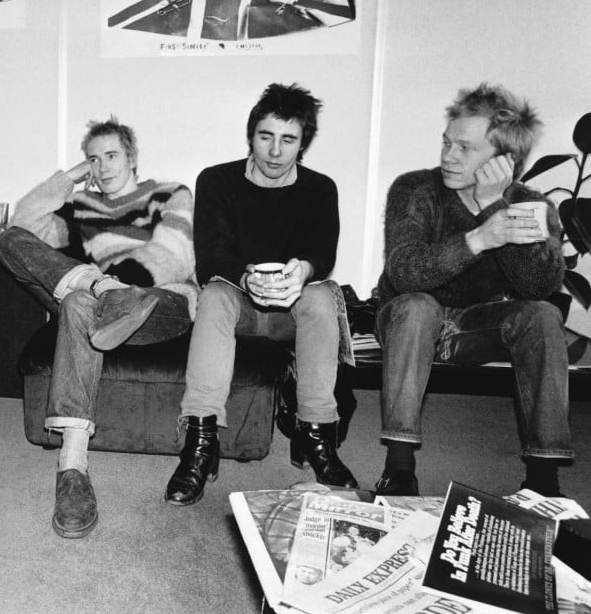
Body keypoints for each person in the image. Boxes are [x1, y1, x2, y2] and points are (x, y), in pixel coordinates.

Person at [0, 116, 197, 539]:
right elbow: (23, 225)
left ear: (132, 157)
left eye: (111, 156)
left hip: (161, 303)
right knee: (10, 244)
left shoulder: (171, 193)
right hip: (101, 305)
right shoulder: (83, 207)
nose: (102, 167)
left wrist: (124, 286)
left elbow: (174, 256)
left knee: (80, 301)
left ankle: (102, 291)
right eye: (93, 159)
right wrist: (68, 179)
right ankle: (73, 468)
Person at [374, 83, 571, 497]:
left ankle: (543, 482)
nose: (449, 155)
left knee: (543, 315)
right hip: (408, 317)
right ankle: (399, 469)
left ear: (504, 161)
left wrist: (493, 206)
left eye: (465, 148)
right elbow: (404, 273)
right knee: (418, 306)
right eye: (447, 142)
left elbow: (539, 286)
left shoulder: (530, 204)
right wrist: (479, 239)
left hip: (475, 327)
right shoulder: (415, 189)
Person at [166, 83, 358, 507]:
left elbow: (322, 253)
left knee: (322, 296)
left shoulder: (320, 188)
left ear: (303, 143)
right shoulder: (217, 180)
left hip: (293, 309)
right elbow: (211, 258)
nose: (275, 151)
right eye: (265, 137)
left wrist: (303, 271)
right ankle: (200, 442)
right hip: (240, 302)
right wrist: (245, 278)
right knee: (214, 295)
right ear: (250, 136)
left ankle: (317, 437)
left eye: (288, 140)